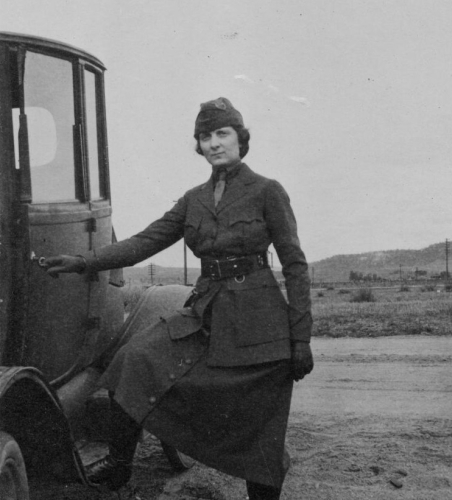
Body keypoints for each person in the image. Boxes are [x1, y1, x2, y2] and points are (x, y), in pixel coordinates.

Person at [45, 97, 313, 500]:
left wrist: (301, 339)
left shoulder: (267, 192)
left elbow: (295, 265)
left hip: (260, 324)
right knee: (132, 362)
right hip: (205, 313)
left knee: (258, 427)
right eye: (205, 137)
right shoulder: (194, 199)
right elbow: (143, 243)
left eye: (222, 134)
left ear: (240, 139)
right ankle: (120, 466)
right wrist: (83, 261)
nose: (213, 144)